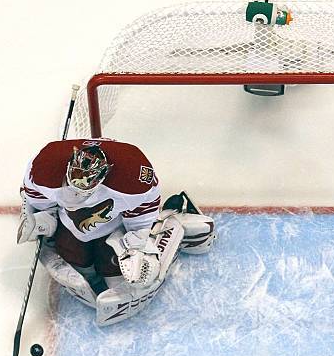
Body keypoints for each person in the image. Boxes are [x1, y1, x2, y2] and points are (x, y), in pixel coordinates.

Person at [17, 138, 215, 325]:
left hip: (114, 230)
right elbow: (37, 196)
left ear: (104, 176)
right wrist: (45, 218)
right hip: (71, 224)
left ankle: (169, 223)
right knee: (77, 262)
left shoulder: (132, 175)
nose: (76, 193)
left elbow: (144, 208)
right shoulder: (45, 165)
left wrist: (137, 244)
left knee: (120, 280)